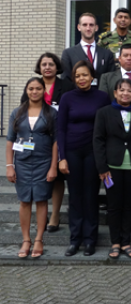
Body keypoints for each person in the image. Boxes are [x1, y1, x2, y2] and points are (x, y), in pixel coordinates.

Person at [57, 61, 111, 257]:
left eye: (85, 75)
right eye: (78, 75)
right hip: (71, 152)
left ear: (92, 76)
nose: (81, 79)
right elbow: (60, 129)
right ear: (73, 77)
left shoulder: (102, 97)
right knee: (75, 196)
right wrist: (62, 158)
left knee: (91, 196)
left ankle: (90, 240)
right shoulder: (67, 98)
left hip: (93, 152)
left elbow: (107, 126)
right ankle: (75, 240)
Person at [19, 53, 73, 233]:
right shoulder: (33, 85)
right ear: (39, 67)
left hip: (61, 135)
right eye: (44, 64)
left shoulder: (66, 85)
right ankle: (39, 214)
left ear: (57, 66)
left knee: (57, 177)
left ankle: (55, 215)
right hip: (37, 140)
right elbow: (23, 111)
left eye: (51, 64)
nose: (47, 67)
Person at [6, 78, 58, 258]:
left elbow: (56, 142)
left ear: (44, 90)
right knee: (24, 201)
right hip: (21, 163)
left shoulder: (51, 113)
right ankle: (26, 239)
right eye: (31, 89)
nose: (34, 91)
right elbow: (10, 140)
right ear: (26, 90)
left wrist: (53, 167)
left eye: (38, 88)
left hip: (43, 163)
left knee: (42, 200)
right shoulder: (17, 113)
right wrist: (9, 166)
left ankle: (38, 240)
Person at [93, 78, 131, 259]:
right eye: (121, 90)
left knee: (129, 205)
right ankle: (115, 242)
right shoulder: (104, 112)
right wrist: (102, 167)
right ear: (115, 93)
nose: (125, 93)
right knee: (113, 206)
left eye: (129, 91)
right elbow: (98, 140)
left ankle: (126, 242)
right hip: (111, 167)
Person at [60, 12, 116, 87]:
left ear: (96, 28)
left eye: (91, 25)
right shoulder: (68, 53)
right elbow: (66, 80)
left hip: (100, 96)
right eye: (84, 25)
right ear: (79, 27)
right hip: (77, 96)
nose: (88, 28)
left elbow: (111, 79)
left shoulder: (107, 54)